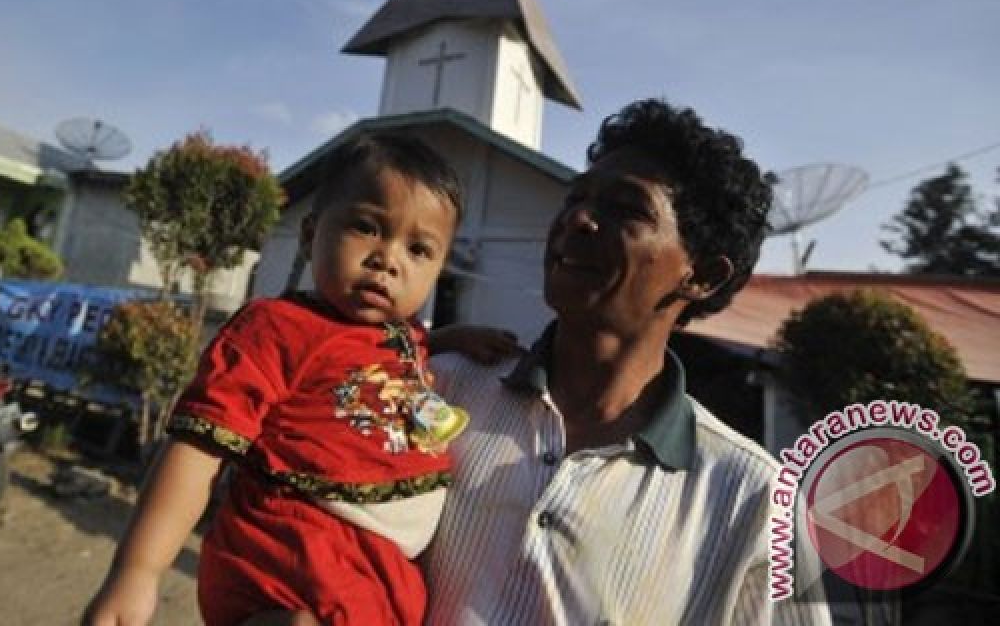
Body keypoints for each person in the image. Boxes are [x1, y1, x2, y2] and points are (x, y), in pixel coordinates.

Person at [423, 99, 831, 625]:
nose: (579, 219)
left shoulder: (753, 501)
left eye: (627, 208)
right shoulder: (443, 389)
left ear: (702, 275)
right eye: (576, 198)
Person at [84, 132, 512, 626]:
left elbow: (374, 360)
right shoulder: (276, 327)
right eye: (367, 227)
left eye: (418, 250)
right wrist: (136, 571)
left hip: (379, 573)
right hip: (296, 553)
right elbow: (198, 448)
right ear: (310, 236)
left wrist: (454, 338)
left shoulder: (405, 334)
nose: (388, 259)